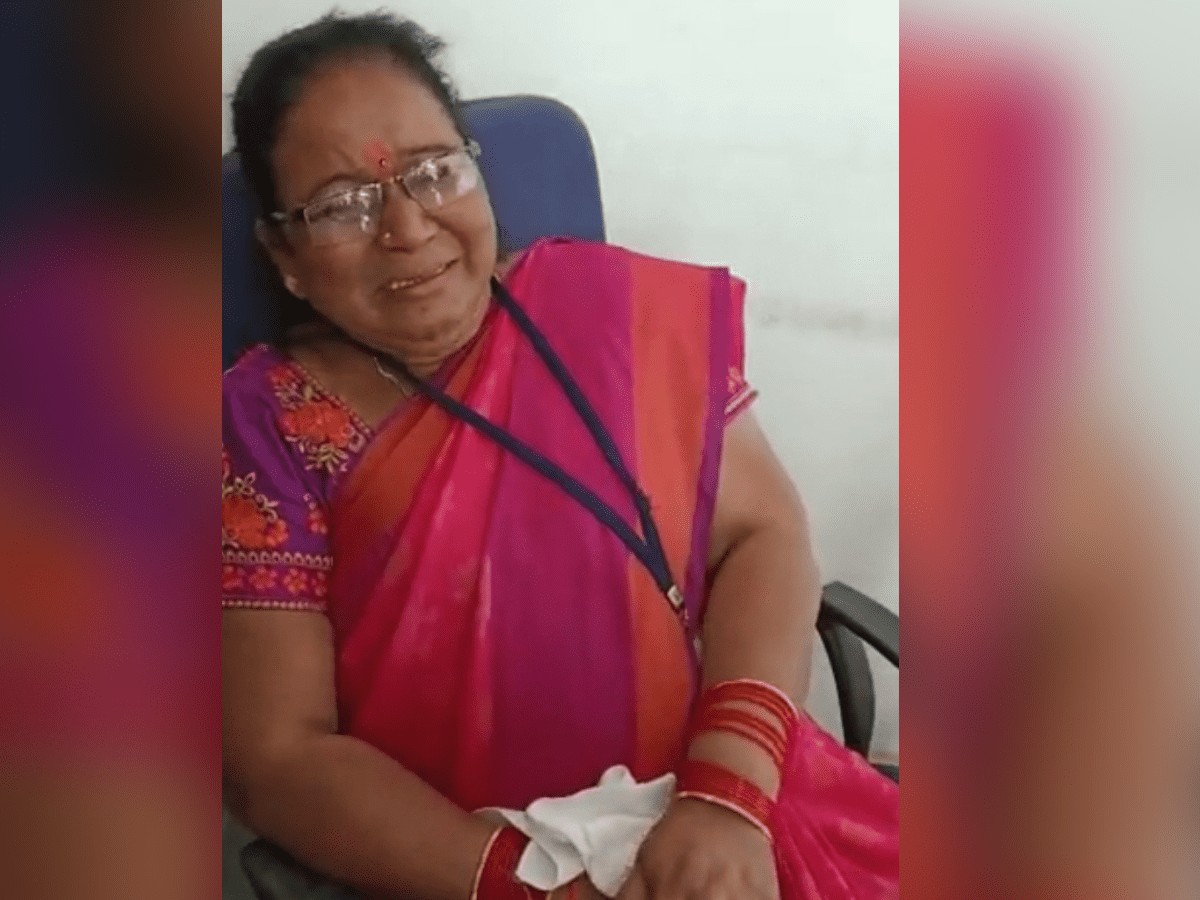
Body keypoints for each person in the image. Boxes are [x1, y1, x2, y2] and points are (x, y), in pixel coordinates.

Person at [222, 12, 898, 900]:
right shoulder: (265, 425)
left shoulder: (617, 313)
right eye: (343, 204)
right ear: (284, 254)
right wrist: (537, 886)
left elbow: (763, 534)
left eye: (433, 172)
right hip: (467, 861)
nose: (408, 227)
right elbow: (277, 756)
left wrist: (727, 795)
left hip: (730, 808)